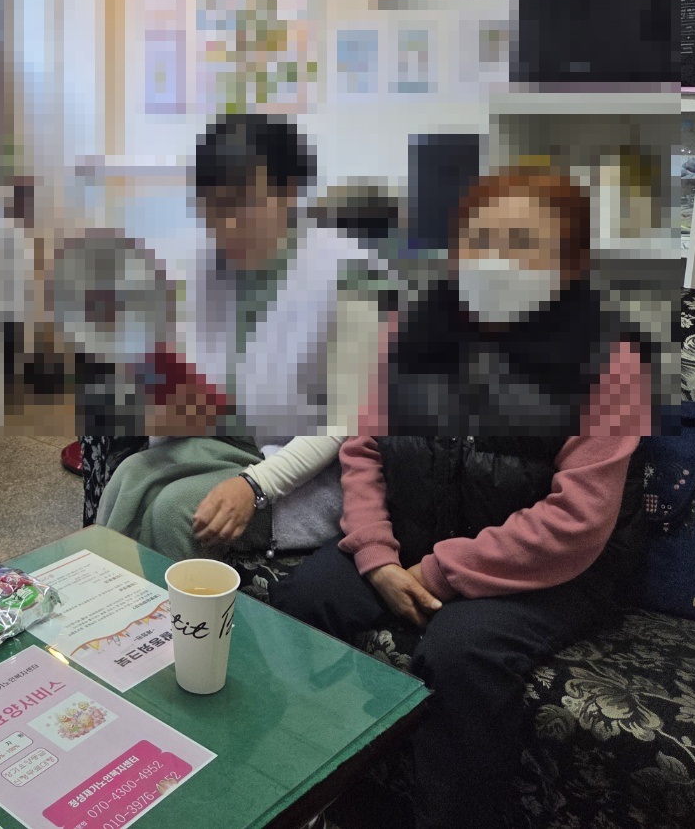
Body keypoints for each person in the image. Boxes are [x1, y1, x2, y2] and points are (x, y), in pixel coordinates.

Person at [272, 170, 652, 829]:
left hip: (554, 566)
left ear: (571, 264)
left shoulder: (610, 362)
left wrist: (433, 574)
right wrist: (376, 555)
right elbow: (363, 451)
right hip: (421, 530)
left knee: (460, 653)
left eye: (523, 243)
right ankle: (322, 797)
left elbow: (578, 520)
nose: (495, 260)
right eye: (479, 240)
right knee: (306, 598)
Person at [97, 114, 380, 561]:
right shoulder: (209, 265)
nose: (224, 226)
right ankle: (108, 600)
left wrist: (255, 485)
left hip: (303, 469)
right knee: (126, 482)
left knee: (175, 512)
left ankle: (169, 609)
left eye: (239, 206)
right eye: (212, 208)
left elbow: (339, 424)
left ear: (288, 193)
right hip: (224, 441)